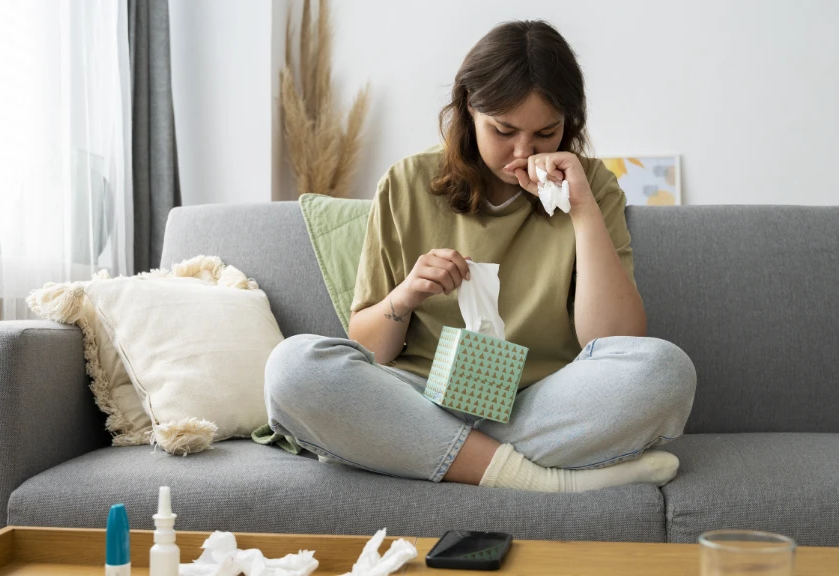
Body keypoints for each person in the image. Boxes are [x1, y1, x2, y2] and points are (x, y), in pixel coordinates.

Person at [264, 20, 696, 493]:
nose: (522, 152)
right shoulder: (407, 183)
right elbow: (370, 349)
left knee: (665, 371)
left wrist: (581, 210)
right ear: (469, 107)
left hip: (540, 403)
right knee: (292, 368)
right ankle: (540, 479)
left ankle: (444, 455)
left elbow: (617, 342)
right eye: (503, 130)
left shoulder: (590, 188)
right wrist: (406, 295)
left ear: (568, 125)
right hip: (422, 400)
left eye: (546, 133)